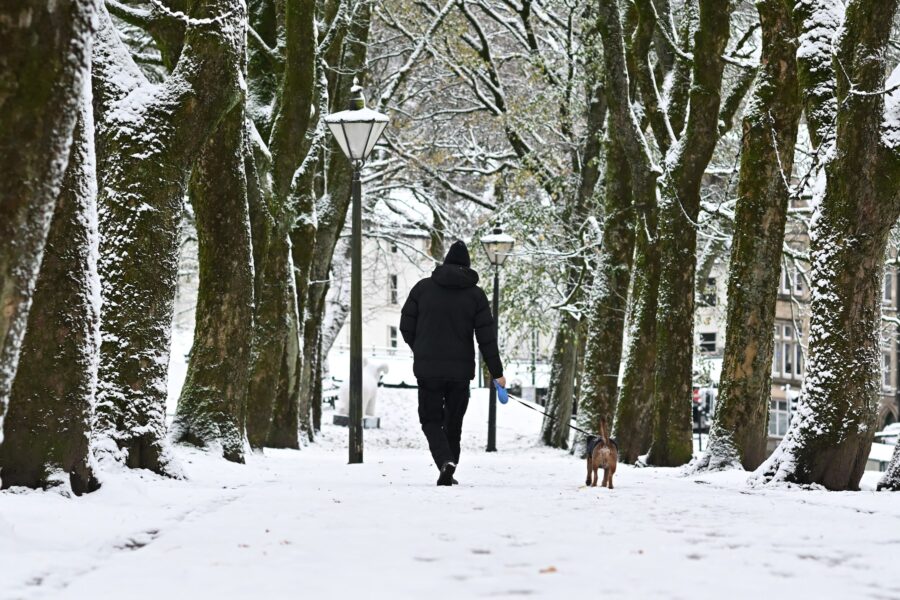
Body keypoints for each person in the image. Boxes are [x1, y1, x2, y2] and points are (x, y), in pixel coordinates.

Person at [399, 240, 505, 486]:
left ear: (445, 261)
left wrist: (422, 349)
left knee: (431, 420)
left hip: (429, 372)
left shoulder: (422, 289)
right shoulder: (476, 296)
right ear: (467, 267)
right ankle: (449, 470)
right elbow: (486, 338)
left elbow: (406, 327)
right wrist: (497, 373)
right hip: (460, 373)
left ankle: (445, 461)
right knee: (454, 423)